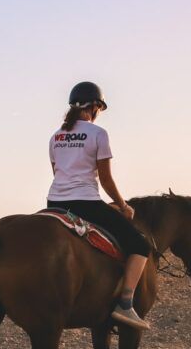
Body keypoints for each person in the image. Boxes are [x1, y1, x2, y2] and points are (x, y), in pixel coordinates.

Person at [47, 81, 152, 330]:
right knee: (140, 244)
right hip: (86, 203)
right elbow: (104, 179)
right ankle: (125, 302)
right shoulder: (98, 134)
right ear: (94, 107)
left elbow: (58, 174)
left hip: (54, 202)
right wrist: (123, 205)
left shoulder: (55, 137)